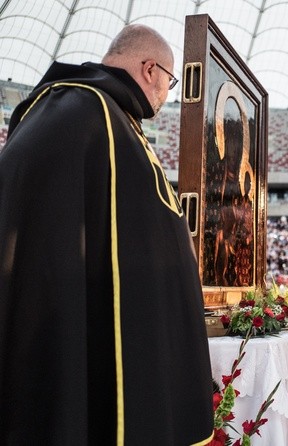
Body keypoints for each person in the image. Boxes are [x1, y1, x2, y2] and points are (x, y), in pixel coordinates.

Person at [0, 24, 213, 444]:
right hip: (67, 327)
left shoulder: (110, 117)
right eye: (169, 81)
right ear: (150, 69)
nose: (167, 94)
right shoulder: (81, 109)